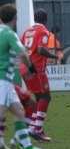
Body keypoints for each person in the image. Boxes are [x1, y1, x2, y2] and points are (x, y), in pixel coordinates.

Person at [0, 4, 47, 149]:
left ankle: (27, 148)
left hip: (6, 82)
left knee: (22, 110)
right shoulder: (9, 34)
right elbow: (23, 54)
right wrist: (31, 69)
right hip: (3, 80)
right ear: (15, 18)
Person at [20, 9, 59, 142]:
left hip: (25, 68)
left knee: (38, 97)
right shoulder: (43, 32)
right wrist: (54, 56)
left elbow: (22, 49)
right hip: (36, 69)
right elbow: (41, 49)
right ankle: (37, 128)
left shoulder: (27, 32)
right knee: (46, 97)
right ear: (45, 20)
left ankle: (34, 127)